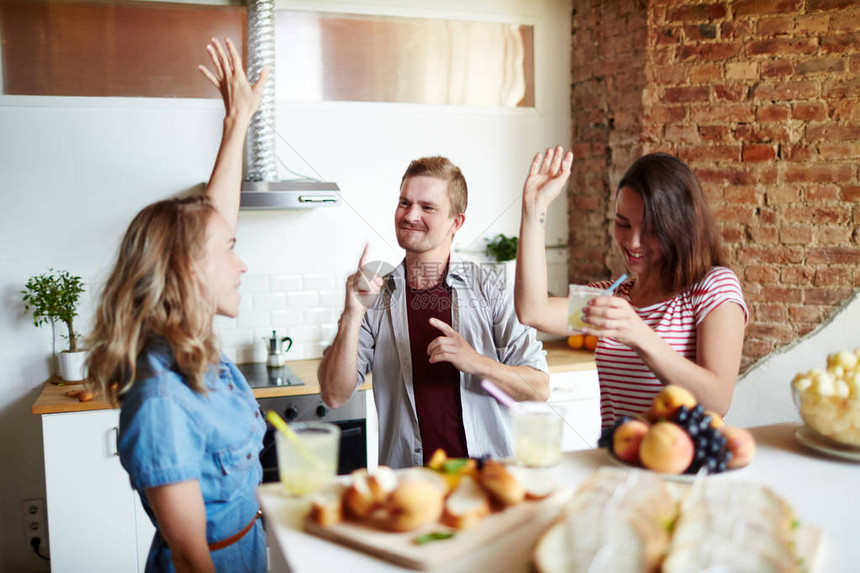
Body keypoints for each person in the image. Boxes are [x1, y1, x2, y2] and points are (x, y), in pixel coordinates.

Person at [85, 38, 269, 573]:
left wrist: (238, 123)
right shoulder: (162, 395)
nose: (241, 264)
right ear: (189, 271)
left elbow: (213, 226)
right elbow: (190, 558)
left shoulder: (194, 352)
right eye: (231, 251)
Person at [318, 156, 549, 468]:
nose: (410, 215)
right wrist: (352, 314)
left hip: (485, 480)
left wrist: (477, 363)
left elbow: (539, 388)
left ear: (456, 222)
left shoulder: (490, 287)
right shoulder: (375, 294)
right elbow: (334, 394)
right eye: (404, 202)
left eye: (427, 207)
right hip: (408, 487)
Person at [515, 147, 748, 430]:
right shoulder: (611, 297)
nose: (633, 242)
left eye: (650, 229)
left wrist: (638, 333)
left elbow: (717, 400)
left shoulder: (713, 288)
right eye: (622, 224)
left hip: (683, 469)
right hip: (619, 465)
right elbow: (532, 311)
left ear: (679, 226)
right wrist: (534, 208)